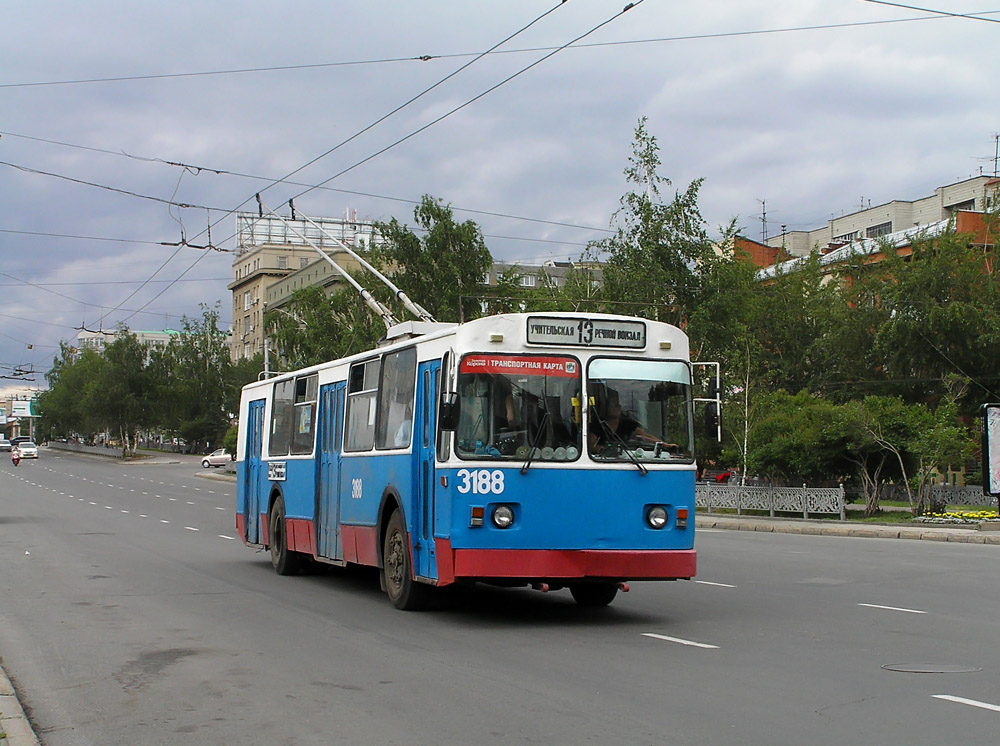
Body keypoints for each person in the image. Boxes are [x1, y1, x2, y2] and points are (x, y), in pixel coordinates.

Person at [589, 389, 674, 454]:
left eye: (618, 404)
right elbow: (590, 445)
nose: (617, 407)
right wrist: (598, 449)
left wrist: (664, 445)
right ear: (605, 407)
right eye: (613, 404)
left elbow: (644, 436)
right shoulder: (597, 424)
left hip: (626, 459)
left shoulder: (627, 424)